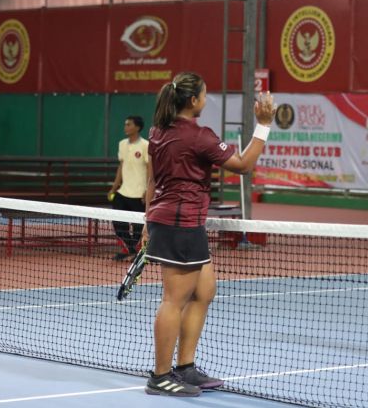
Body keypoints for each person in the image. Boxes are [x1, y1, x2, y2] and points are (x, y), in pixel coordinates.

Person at [142, 72, 275, 397]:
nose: (206, 97)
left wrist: (148, 219)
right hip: (180, 223)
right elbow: (243, 164)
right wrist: (264, 124)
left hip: (178, 221)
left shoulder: (159, 131)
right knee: (174, 300)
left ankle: (185, 367)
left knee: (204, 291)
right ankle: (160, 376)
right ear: (193, 101)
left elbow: (152, 179)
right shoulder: (199, 136)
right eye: (204, 93)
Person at [108, 116, 149, 261]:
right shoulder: (122, 144)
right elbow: (121, 167)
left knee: (138, 226)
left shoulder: (145, 145)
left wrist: (147, 190)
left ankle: (136, 252)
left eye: (128, 124)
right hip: (123, 192)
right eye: (125, 124)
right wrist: (114, 188)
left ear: (137, 127)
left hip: (139, 193)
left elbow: (150, 169)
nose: (125, 127)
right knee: (118, 222)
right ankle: (129, 249)